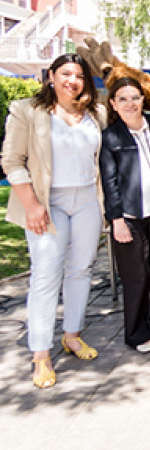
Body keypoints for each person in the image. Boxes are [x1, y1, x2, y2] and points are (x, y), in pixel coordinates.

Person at [1, 53, 106, 388]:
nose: (71, 81)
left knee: (81, 270)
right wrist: (31, 205)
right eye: (65, 74)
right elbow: (12, 160)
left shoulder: (95, 113)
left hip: (87, 200)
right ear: (51, 76)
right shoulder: (28, 111)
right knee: (47, 274)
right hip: (48, 202)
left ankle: (72, 335)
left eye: (77, 76)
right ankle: (41, 356)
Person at [99, 77, 150, 353]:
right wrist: (116, 220)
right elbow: (109, 183)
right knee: (137, 276)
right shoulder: (110, 137)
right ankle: (136, 331)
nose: (130, 103)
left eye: (135, 97)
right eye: (123, 99)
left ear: (143, 100)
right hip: (130, 216)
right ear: (113, 103)